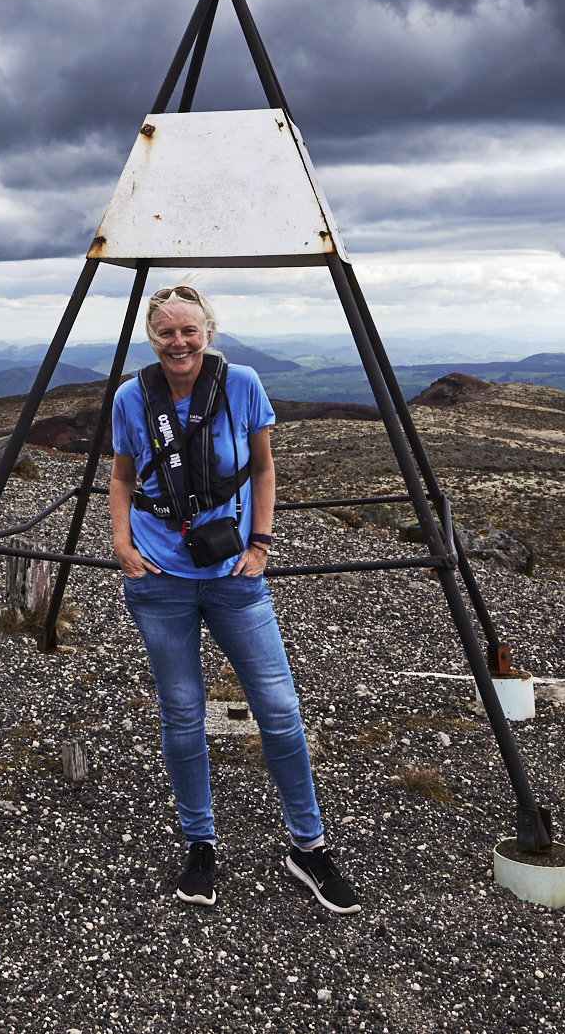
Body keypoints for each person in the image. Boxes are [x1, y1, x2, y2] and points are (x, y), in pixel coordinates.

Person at [110, 283, 361, 913]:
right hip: (160, 582)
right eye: (166, 332)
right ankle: (200, 845)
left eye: (189, 330)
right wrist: (121, 544)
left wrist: (261, 546)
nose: (179, 342)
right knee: (182, 712)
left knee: (278, 708)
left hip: (233, 577)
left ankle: (309, 846)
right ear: (152, 337)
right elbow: (120, 476)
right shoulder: (131, 397)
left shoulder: (242, 384)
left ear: (208, 331)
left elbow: (264, 466)